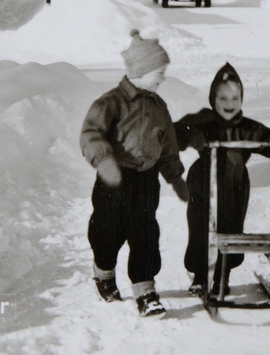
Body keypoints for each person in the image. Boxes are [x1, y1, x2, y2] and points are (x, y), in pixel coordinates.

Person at [80, 29, 190, 317]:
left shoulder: (158, 106)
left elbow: (168, 146)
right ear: (141, 69)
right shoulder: (112, 102)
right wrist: (103, 161)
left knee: (146, 235)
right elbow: (91, 132)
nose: (163, 77)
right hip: (113, 180)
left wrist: (176, 177)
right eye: (160, 71)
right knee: (107, 233)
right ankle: (103, 272)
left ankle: (145, 291)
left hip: (145, 182)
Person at [175, 64, 270, 297]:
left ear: (241, 100)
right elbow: (175, 134)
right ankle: (201, 276)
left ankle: (222, 275)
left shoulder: (248, 128)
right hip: (203, 183)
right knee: (201, 228)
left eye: (235, 97)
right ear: (213, 98)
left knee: (230, 228)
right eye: (222, 97)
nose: (229, 103)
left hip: (234, 186)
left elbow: (269, 144)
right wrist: (187, 134)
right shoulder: (203, 121)